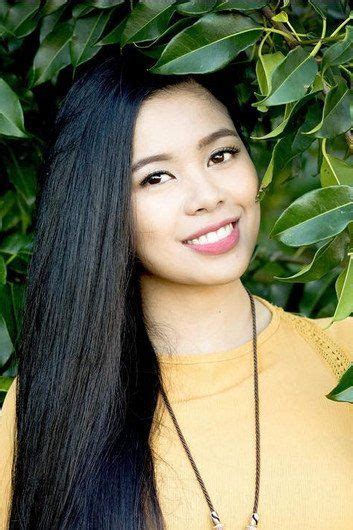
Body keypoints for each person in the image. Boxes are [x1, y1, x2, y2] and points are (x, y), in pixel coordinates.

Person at [0, 49, 352, 530]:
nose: (208, 196)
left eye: (220, 154)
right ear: (99, 211)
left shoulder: (343, 357)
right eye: (156, 177)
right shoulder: (48, 404)